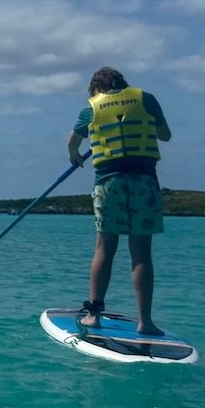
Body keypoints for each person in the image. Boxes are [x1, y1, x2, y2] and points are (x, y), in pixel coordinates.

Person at [67, 67, 171, 334]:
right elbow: (165, 135)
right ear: (122, 83)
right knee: (142, 253)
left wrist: (75, 156)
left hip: (108, 183)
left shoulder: (90, 109)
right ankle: (145, 322)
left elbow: (72, 142)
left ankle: (94, 316)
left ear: (95, 89)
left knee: (104, 248)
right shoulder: (145, 99)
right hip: (143, 181)